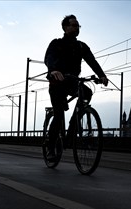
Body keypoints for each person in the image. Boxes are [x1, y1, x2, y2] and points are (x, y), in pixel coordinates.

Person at [44, 14, 108, 160]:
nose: (76, 28)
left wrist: (101, 75)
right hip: (57, 83)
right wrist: (53, 70)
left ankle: (72, 129)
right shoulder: (56, 43)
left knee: (87, 92)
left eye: (78, 26)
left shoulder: (81, 46)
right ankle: (51, 148)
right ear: (65, 27)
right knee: (59, 114)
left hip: (72, 82)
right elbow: (49, 58)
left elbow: (92, 61)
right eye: (73, 25)